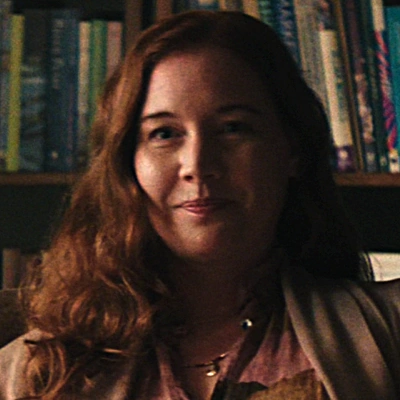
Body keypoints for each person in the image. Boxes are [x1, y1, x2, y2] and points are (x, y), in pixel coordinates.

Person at [1, 9, 399, 400]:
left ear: (291, 149)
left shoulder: (388, 332)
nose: (197, 165)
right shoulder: (32, 374)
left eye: (233, 128)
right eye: (164, 134)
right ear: (127, 163)